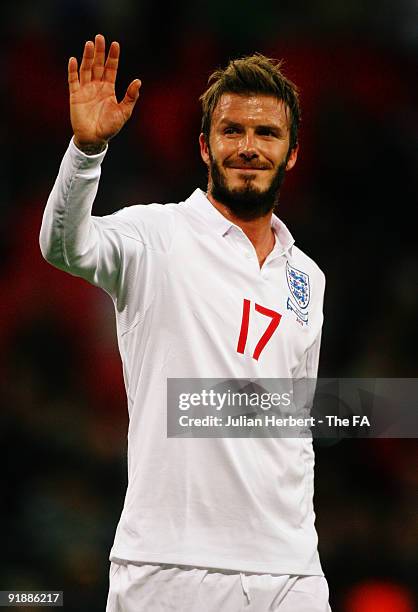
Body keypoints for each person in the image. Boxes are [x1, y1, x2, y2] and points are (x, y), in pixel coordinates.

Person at [40, 34, 331, 612]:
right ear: (205, 145)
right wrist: (86, 151)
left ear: (292, 152)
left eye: (267, 133)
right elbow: (62, 245)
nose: (249, 147)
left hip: (290, 570)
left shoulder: (308, 277)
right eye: (233, 131)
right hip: (169, 566)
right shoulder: (155, 235)